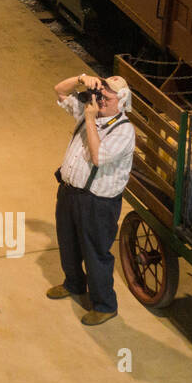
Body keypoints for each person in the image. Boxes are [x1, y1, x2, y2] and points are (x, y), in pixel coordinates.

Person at [48, 74, 137, 326]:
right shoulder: (91, 111)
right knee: (68, 243)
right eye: (99, 94)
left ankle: (105, 305)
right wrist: (80, 78)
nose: (100, 101)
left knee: (95, 254)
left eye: (106, 98)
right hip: (70, 192)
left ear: (121, 102)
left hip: (97, 203)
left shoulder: (124, 131)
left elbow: (98, 157)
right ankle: (74, 284)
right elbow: (59, 90)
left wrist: (88, 118)